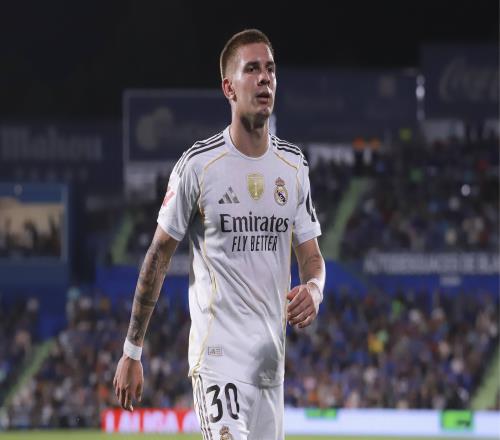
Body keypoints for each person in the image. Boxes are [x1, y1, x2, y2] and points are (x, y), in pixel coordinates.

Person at [113, 28, 325, 440]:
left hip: (271, 368)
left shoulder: (293, 167)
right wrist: (131, 350)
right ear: (229, 87)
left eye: (270, 69)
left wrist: (314, 289)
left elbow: (311, 257)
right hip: (218, 360)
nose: (265, 79)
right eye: (252, 69)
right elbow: (158, 256)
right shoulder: (199, 166)